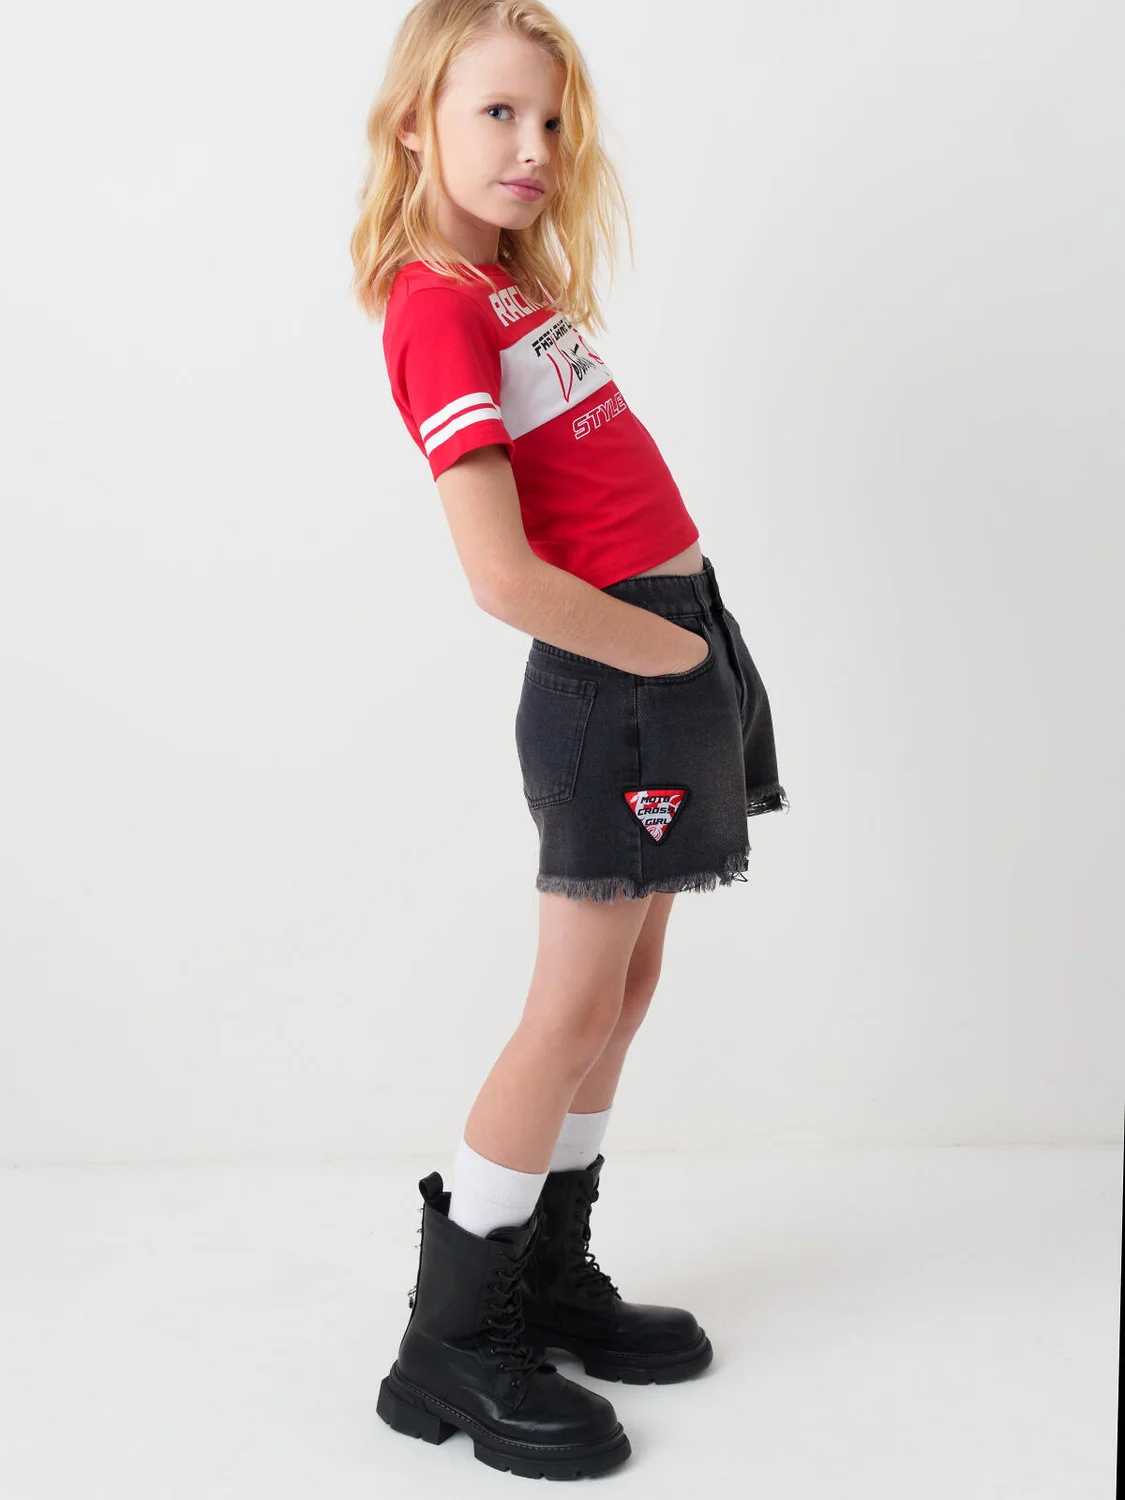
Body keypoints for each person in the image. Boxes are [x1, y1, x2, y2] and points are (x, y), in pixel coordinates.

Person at [350, 0, 789, 1479]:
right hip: (622, 670)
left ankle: (545, 1276)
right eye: (496, 113)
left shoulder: (507, 284)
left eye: (549, 119)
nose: (532, 145)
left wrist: (697, 640)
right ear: (416, 123)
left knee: (626, 987)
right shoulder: (436, 304)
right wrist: (669, 653)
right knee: (568, 1005)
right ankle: (451, 1339)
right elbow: (499, 576)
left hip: (669, 644)